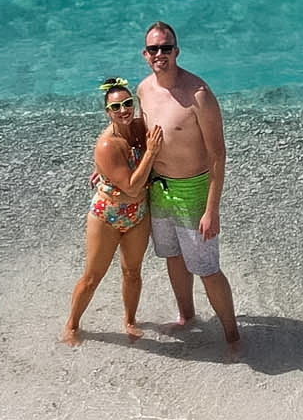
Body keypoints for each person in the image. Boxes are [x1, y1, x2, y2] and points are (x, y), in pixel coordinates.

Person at [136, 22, 240, 351]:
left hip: (193, 191)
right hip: (159, 188)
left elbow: (218, 155)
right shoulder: (143, 90)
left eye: (166, 48)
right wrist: (110, 169)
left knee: (207, 269)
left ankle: (233, 336)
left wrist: (213, 209)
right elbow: (139, 138)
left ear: (176, 51)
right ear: (145, 54)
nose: (160, 54)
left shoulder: (199, 95)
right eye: (154, 49)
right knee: (173, 256)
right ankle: (187, 317)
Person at [63, 79, 164, 346]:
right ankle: (72, 325)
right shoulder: (107, 145)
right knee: (93, 276)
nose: (123, 110)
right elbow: (131, 187)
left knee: (132, 271)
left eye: (128, 103)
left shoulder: (141, 128)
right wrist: (151, 153)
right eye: (116, 107)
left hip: (138, 214)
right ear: (108, 112)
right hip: (107, 215)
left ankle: (130, 320)